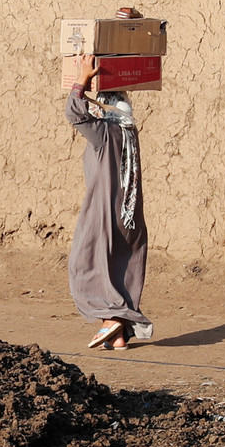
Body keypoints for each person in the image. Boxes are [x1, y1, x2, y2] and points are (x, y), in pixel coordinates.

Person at [64, 53, 152, 350]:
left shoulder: (106, 134)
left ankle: (109, 318)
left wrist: (81, 82)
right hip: (130, 216)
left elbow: (75, 114)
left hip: (105, 209)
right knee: (121, 265)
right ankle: (119, 335)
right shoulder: (129, 132)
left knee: (87, 262)